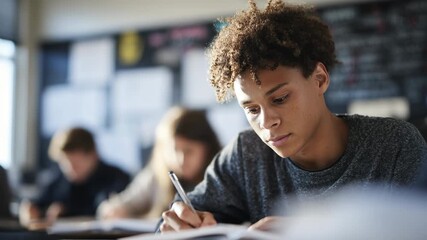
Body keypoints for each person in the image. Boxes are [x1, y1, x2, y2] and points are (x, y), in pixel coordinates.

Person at [159, 0, 427, 232]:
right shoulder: (246, 156)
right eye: (252, 109)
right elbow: (181, 219)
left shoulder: (394, 146)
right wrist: (180, 225)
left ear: (319, 79)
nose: (266, 122)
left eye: (280, 99)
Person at [97, 106, 221, 220]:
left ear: (207, 149)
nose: (181, 160)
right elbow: (113, 206)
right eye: (174, 150)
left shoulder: (222, 177)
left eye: (189, 151)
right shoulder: (156, 176)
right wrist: (115, 210)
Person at [19, 127, 130, 228]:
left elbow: (106, 208)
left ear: (94, 155)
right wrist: (31, 210)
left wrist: (65, 214)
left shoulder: (117, 178)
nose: (70, 169)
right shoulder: (59, 179)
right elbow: (38, 202)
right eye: (64, 164)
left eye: (76, 164)